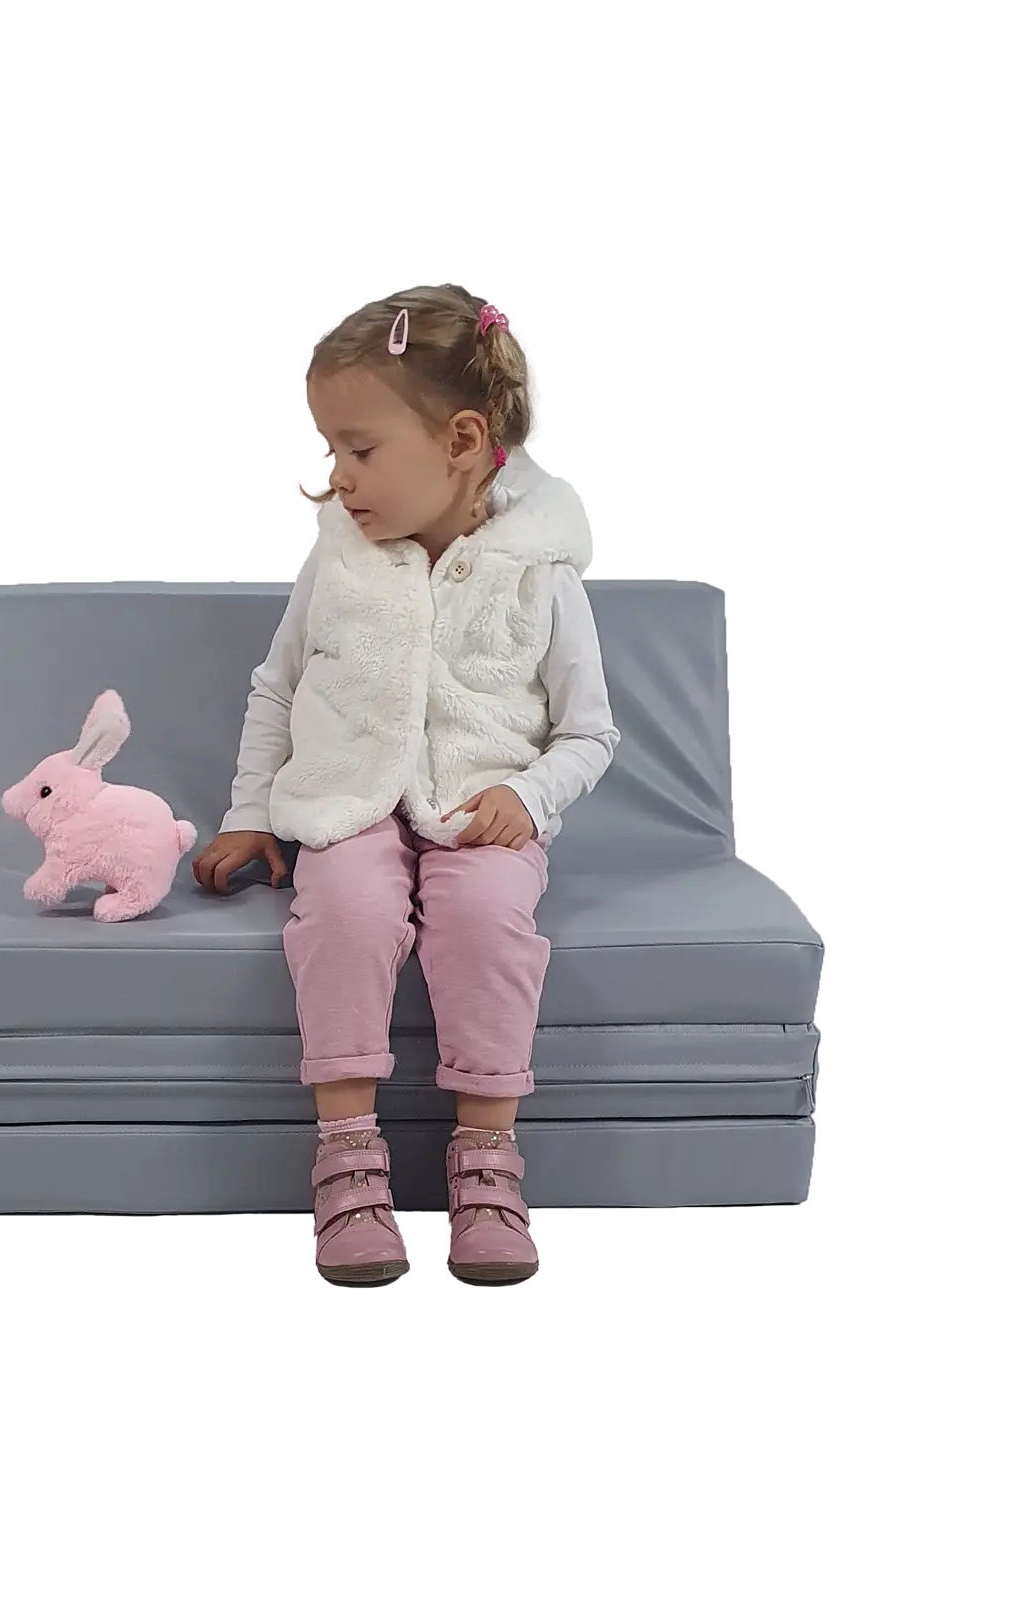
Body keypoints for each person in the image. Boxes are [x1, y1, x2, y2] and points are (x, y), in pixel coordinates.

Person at [192, 284, 620, 1286]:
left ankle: (487, 1162)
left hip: (479, 814)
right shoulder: (340, 560)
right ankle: (347, 1158)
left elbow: (589, 731)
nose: (337, 478)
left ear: (461, 440)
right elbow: (278, 686)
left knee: (485, 921)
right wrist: (250, 814)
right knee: (345, 910)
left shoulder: (539, 572)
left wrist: (530, 797)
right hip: (347, 802)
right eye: (329, 450)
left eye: (360, 449)